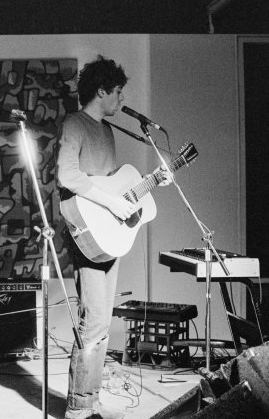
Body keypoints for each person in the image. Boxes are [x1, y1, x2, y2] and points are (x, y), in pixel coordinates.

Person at [55, 56, 171, 419]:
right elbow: (68, 176)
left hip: (108, 235)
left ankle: (90, 398)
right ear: (101, 91)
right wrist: (111, 203)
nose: (122, 99)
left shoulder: (107, 130)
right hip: (86, 235)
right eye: (118, 91)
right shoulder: (75, 124)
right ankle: (78, 407)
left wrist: (154, 181)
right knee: (93, 322)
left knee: (103, 323)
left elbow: (114, 184)